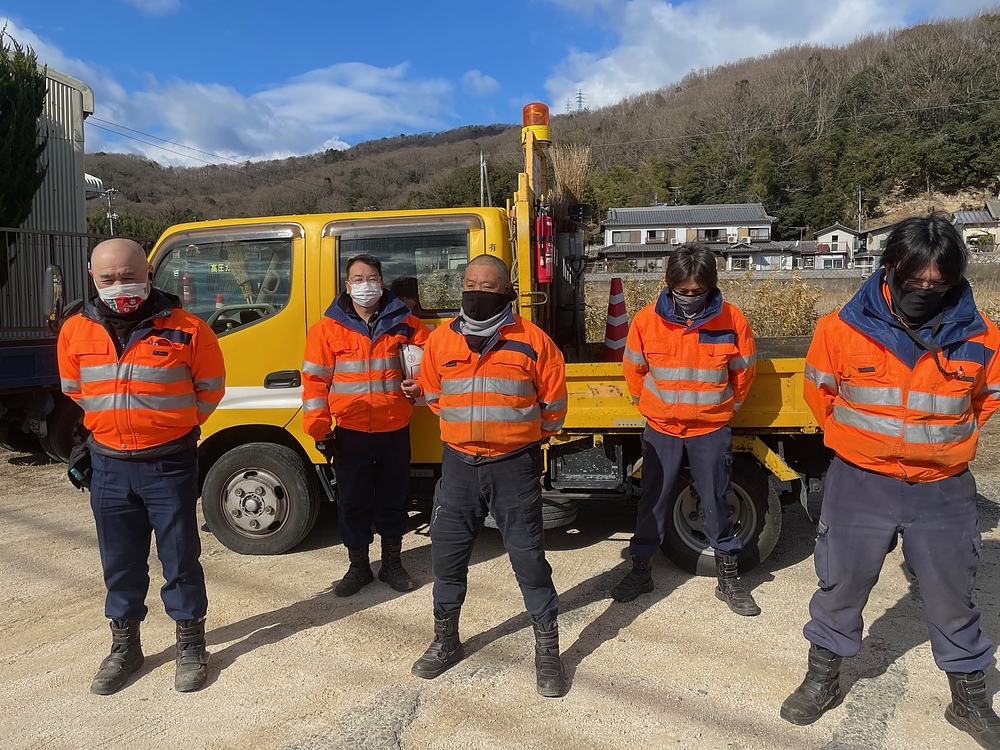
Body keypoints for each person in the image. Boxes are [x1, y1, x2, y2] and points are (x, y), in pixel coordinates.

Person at [781, 215, 1000, 748]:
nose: (924, 291)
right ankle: (823, 679)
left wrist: (941, 447)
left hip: (942, 488)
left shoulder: (983, 337)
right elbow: (821, 396)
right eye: (913, 280)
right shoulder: (839, 330)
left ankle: (968, 700)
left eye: (937, 284)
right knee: (841, 584)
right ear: (889, 268)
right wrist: (862, 446)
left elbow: (986, 400)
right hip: (860, 482)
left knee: (953, 595)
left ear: (954, 279)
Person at [57, 238, 226, 695]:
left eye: (128, 276)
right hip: (108, 465)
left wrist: (168, 428)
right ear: (92, 278)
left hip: (168, 463)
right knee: (120, 562)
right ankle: (125, 647)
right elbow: (75, 389)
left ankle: (191, 644)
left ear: (149, 273)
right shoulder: (75, 330)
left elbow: (209, 391)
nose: (119, 286)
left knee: (180, 558)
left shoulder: (189, 329)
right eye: (108, 278)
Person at [410, 254, 569, 698]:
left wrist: (511, 437)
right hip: (458, 465)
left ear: (507, 292)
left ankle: (547, 648)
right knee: (447, 557)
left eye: (487, 286)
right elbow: (435, 396)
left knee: (529, 559)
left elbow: (554, 410)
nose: (476, 292)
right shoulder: (441, 341)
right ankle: (446, 640)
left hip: (513, 467)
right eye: (469, 283)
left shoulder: (535, 343)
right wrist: (469, 430)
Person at [613, 244, 759, 616]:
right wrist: (648, 406)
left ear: (711, 286)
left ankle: (728, 578)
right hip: (662, 428)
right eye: (684, 291)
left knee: (715, 500)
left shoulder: (732, 320)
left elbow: (743, 373)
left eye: (698, 291)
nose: (691, 297)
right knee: (654, 500)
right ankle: (641, 571)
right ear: (669, 284)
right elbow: (634, 371)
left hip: (710, 429)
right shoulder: (647, 321)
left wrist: (725, 410)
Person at [302, 253, 430, 597]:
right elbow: (314, 382)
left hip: (394, 428)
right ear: (347, 286)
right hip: (349, 432)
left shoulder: (406, 323)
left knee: (394, 499)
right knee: (353, 502)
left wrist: (421, 384)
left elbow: (432, 362)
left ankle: (392, 565)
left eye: (371, 278)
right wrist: (319, 428)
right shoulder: (326, 329)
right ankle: (358, 566)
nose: (365, 285)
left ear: (381, 282)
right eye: (358, 279)